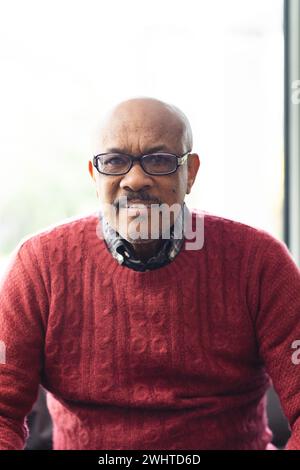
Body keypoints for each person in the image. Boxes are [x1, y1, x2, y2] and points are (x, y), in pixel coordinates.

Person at [0, 97, 300, 450]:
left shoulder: (259, 262)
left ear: (189, 173)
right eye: (114, 161)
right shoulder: (39, 266)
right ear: (94, 175)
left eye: (159, 160)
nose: (136, 179)